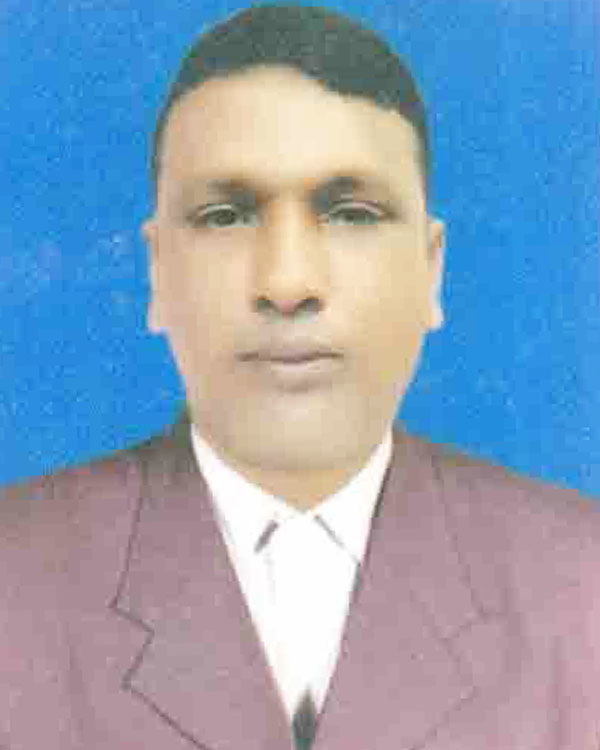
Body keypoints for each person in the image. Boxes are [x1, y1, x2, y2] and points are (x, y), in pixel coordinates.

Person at [1, 4, 599, 749]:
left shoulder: (583, 581)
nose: (287, 282)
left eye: (352, 213)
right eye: (226, 215)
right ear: (156, 273)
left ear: (431, 270)